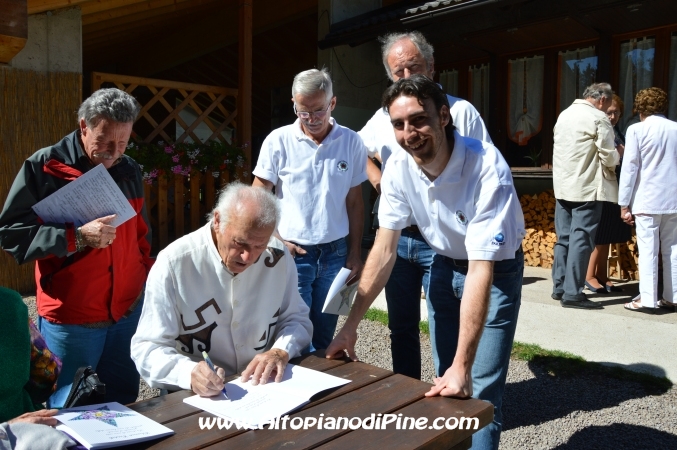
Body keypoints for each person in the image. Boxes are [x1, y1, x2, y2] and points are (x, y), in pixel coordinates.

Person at [327, 75, 524, 450]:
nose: (409, 133)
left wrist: (462, 364)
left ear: (444, 116)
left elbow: (482, 267)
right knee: (443, 381)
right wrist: (350, 325)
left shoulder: (487, 167)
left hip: (495, 271)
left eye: (418, 119)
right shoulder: (399, 167)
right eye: (398, 124)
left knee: (478, 390)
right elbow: (384, 250)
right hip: (443, 262)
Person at [0, 88, 153, 407]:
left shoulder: (130, 170)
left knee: (124, 404)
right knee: (69, 408)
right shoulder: (43, 167)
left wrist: (145, 285)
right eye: (105, 141)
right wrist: (77, 237)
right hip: (72, 317)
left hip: (126, 312)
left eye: (123, 143)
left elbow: (141, 235)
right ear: (84, 126)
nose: (114, 152)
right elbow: (11, 234)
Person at [357, 31, 491, 380]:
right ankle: (408, 393)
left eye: (412, 67)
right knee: (400, 326)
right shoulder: (384, 116)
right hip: (397, 238)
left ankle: (448, 394)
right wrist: (378, 179)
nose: (406, 77)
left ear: (431, 66)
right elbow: (355, 151)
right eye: (397, 73)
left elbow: (482, 168)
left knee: (442, 323)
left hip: (440, 242)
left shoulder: (461, 111)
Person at [131, 182, 312, 395]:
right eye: (240, 243)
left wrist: (281, 351)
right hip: (194, 395)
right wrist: (188, 373)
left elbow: (296, 319)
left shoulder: (278, 256)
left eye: (259, 246)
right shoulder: (174, 263)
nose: (248, 257)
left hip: (263, 388)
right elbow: (147, 348)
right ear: (217, 221)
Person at [252, 68, 366, 351]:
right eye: (304, 112)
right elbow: (258, 195)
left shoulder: (351, 141)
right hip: (293, 253)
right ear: (294, 103)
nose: (312, 119)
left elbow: (355, 202)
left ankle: (322, 393)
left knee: (325, 333)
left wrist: (354, 253)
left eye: (319, 111)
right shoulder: (278, 140)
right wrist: (276, 240)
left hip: (335, 253)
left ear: (333, 103)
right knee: (292, 336)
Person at [551, 82, 619, 309]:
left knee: (564, 239)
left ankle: (560, 287)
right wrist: (619, 157)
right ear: (601, 99)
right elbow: (609, 156)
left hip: (563, 187)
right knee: (582, 240)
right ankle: (573, 293)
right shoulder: (598, 118)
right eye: (608, 104)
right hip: (587, 188)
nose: (607, 108)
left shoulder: (564, 115)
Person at [618, 87, 677, 312]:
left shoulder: (637, 130)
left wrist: (624, 204)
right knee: (673, 248)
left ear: (641, 108)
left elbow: (630, 168)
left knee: (648, 250)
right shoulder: (676, 129)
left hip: (648, 199)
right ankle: (672, 296)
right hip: (674, 199)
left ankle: (648, 298)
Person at [585, 94, 632, 293]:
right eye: (609, 112)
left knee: (608, 236)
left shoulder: (616, 130)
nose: (613, 116)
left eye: (616, 113)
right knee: (600, 236)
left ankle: (603, 276)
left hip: (617, 187)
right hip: (603, 187)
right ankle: (588, 276)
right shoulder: (599, 129)